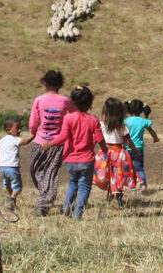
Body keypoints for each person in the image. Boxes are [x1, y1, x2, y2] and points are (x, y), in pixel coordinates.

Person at [42, 86, 107, 219]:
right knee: (84, 186)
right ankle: (78, 213)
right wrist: (105, 150)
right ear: (90, 103)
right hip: (86, 160)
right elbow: (100, 138)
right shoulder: (93, 120)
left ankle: (66, 207)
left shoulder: (68, 118)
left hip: (70, 160)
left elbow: (63, 136)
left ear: (72, 102)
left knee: (73, 182)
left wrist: (50, 143)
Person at [28, 70, 76, 216]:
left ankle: (42, 204)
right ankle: (45, 195)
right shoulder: (65, 101)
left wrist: (33, 131)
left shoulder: (39, 100)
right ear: (60, 85)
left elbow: (33, 122)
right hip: (57, 144)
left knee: (37, 171)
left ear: (45, 83)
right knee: (49, 173)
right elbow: (74, 115)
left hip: (42, 142)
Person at [93, 97, 140, 207]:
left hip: (105, 153)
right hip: (120, 154)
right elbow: (128, 141)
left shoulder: (102, 124)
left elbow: (96, 139)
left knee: (108, 174)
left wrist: (90, 148)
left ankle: (111, 193)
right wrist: (135, 151)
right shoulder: (122, 126)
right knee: (118, 176)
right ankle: (118, 197)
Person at [0, 118, 35, 210]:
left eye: (20, 128)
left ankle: (12, 201)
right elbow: (25, 142)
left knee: (7, 184)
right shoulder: (15, 139)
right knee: (18, 187)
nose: (20, 130)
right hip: (12, 168)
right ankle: (12, 199)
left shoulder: (3, 139)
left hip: (2, 168)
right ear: (8, 129)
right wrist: (34, 135)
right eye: (17, 128)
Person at [124, 99, 159, 190]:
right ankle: (143, 185)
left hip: (126, 147)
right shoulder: (144, 121)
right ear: (141, 110)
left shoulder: (125, 121)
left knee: (127, 167)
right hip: (138, 148)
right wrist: (155, 138)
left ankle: (130, 186)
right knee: (139, 167)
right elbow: (152, 131)